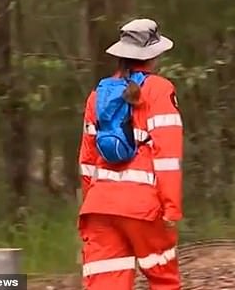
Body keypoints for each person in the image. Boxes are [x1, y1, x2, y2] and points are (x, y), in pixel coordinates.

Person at [78, 18, 183, 290]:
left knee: (105, 283)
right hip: (142, 207)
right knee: (163, 281)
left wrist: (93, 198)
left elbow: (87, 160)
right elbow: (168, 155)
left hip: (99, 206)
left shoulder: (97, 94)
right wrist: (171, 205)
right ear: (155, 55)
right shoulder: (159, 90)